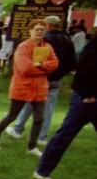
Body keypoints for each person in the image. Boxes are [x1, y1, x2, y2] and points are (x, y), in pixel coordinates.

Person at [32, 33, 97, 179]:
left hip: (90, 97)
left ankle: (42, 172)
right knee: (65, 134)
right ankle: (41, 173)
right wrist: (88, 94)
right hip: (87, 99)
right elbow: (83, 67)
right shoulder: (95, 46)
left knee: (65, 134)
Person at [0, 19, 59, 155]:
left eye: (42, 29)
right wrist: (44, 68)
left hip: (40, 88)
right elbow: (25, 68)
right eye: (36, 29)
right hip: (22, 87)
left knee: (39, 118)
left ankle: (31, 147)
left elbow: (54, 64)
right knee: (12, 116)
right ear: (30, 31)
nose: (39, 32)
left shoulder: (47, 47)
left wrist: (40, 65)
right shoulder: (23, 47)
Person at [8, 15, 77, 145]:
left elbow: (35, 62)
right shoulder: (68, 39)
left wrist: (43, 70)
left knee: (30, 103)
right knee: (48, 108)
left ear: (48, 26)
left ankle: (18, 129)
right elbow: (72, 62)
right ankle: (42, 136)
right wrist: (61, 72)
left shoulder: (44, 40)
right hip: (56, 78)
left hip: (41, 77)